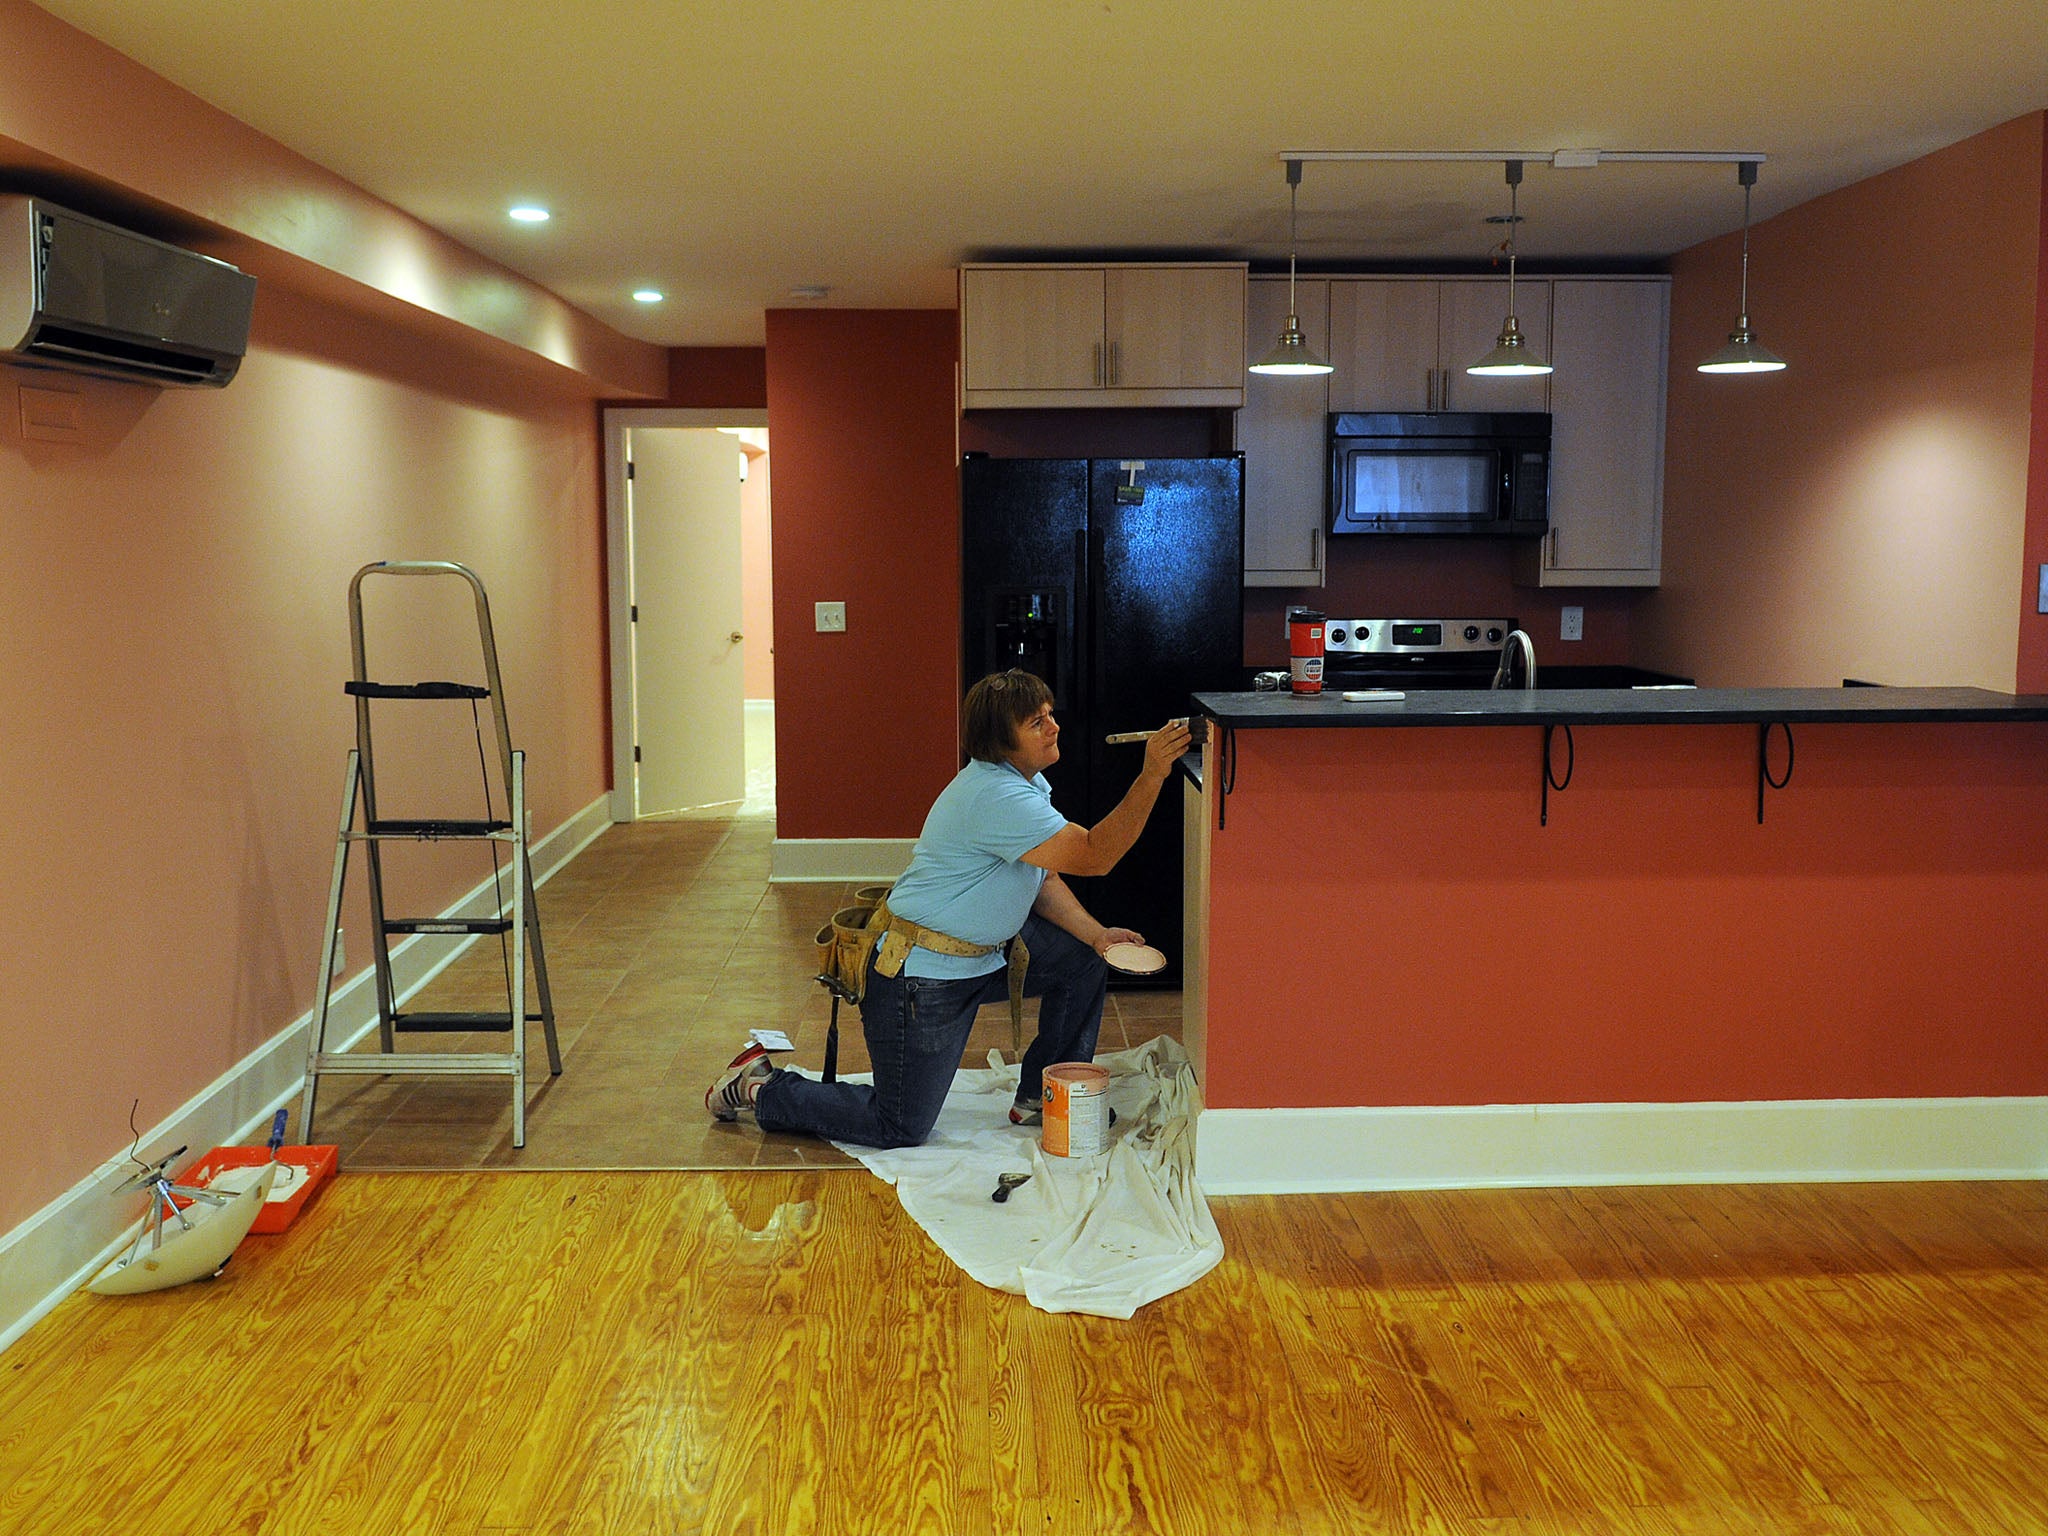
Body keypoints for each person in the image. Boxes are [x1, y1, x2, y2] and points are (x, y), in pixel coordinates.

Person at [705, 668, 1191, 1148]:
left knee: (1084, 960)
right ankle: (759, 1085)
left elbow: (1043, 879)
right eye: (1036, 722)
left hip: (986, 956)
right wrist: (1152, 775)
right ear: (1002, 742)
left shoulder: (1025, 786)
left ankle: (1043, 1096)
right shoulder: (997, 796)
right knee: (901, 1127)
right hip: (920, 977)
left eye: (1049, 714)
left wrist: (1096, 935)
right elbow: (1094, 856)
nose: (1054, 726)